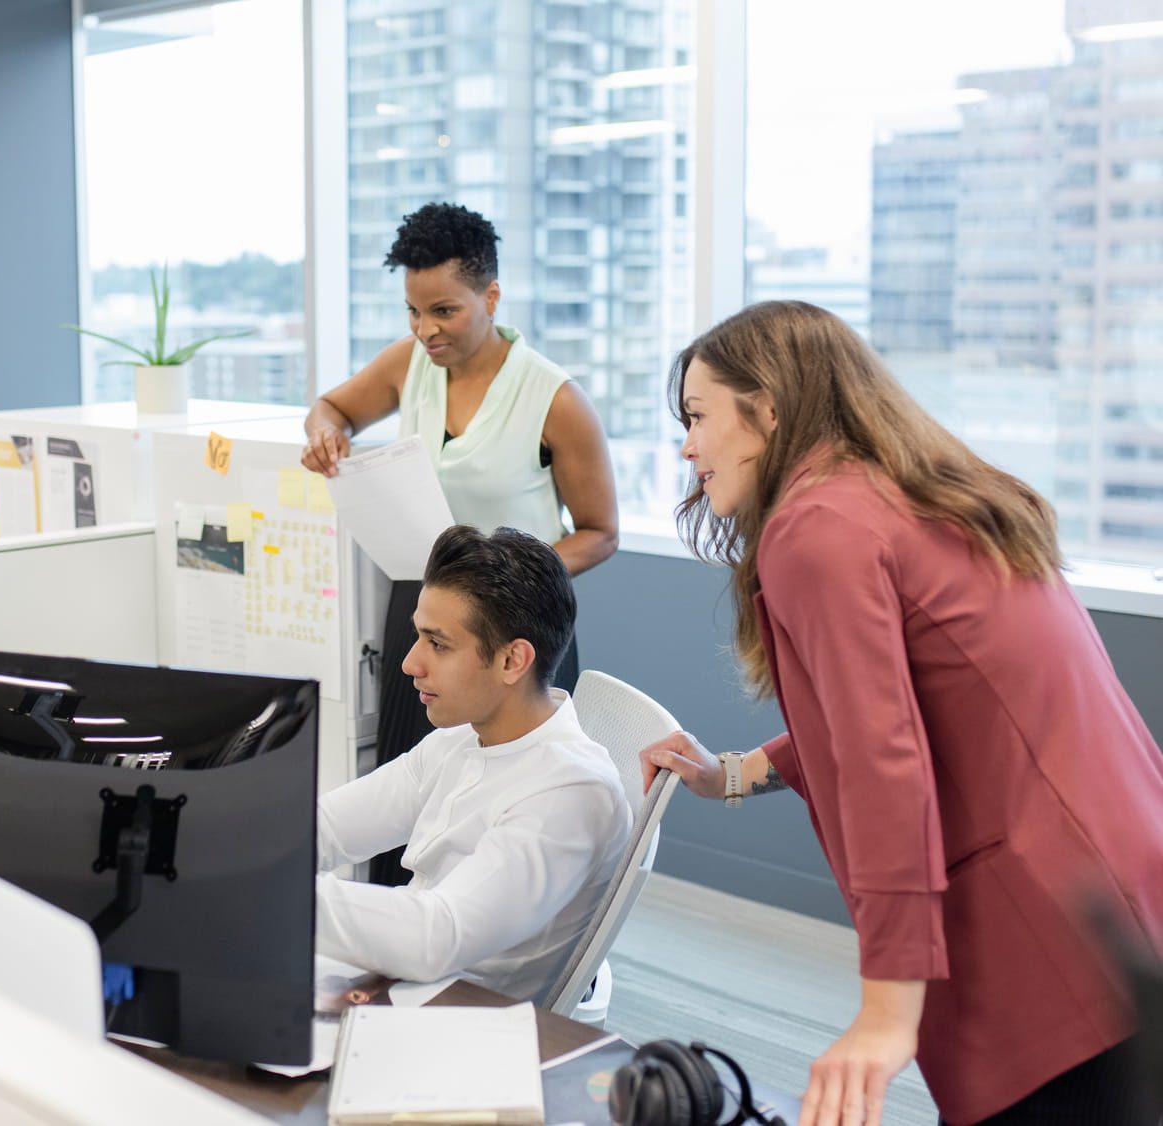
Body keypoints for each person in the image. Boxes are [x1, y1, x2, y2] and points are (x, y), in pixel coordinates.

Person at [639, 301, 1163, 1125]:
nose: (688, 447)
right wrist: (735, 773)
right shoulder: (901, 493)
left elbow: (883, 761)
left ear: (768, 408)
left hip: (1044, 927)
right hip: (1120, 887)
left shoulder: (815, 528)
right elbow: (906, 705)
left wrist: (885, 1010)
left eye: (700, 417)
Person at [302, 202, 621, 880]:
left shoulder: (555, 400)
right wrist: (326, 432)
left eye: (444, 311)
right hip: (422, 606)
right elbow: (331, 407)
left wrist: (506, 576)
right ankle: (393, 939)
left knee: (509, 812)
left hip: (511, 624)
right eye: (413, 313)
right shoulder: (409, 363)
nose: (426, 330)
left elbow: (600, 533)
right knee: (408, 790)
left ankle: (493, 948)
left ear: (491, 297)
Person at [315, 524, 632, 1010]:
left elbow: (435, 937)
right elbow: (331, 828)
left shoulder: (569, 792)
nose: (410, 664)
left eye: (437, 644)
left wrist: (270, 892)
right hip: (403, 989)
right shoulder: (461, 740)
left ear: (512, 661)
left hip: (460, 1026)